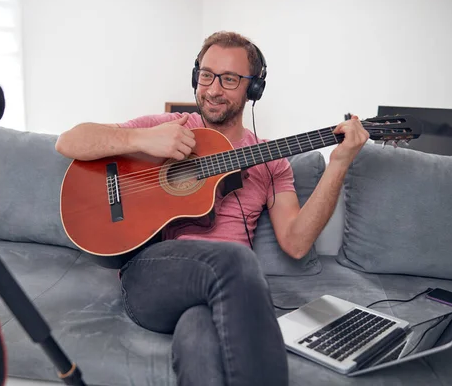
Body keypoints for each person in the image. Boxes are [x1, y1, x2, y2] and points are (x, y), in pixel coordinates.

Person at [55, 31, 369, 386]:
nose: (214, 89)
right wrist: (142, 139)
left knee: (198, 335)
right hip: (151, 279)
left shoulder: (271, 161)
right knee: (236, 260)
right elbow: (69, 141)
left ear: (253, 90)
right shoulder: (169, 129)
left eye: (230, 79)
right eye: (206, 75)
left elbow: (296, 243)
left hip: (221, 293)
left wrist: (339, 163)